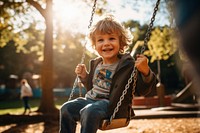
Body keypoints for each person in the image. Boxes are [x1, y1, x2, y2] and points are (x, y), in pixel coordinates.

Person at [59, 14, 157, 133]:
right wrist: (85, 76)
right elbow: (92, 86)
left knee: (89, 111)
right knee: (66, 108)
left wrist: (145, 71)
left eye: (111, 38)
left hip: (111, 105)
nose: (106, 43)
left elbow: (143, 90)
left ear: (121, 43)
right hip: (90, 100)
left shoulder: (127, 65)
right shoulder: (96, 64)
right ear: (95, 45)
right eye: (100, 40)